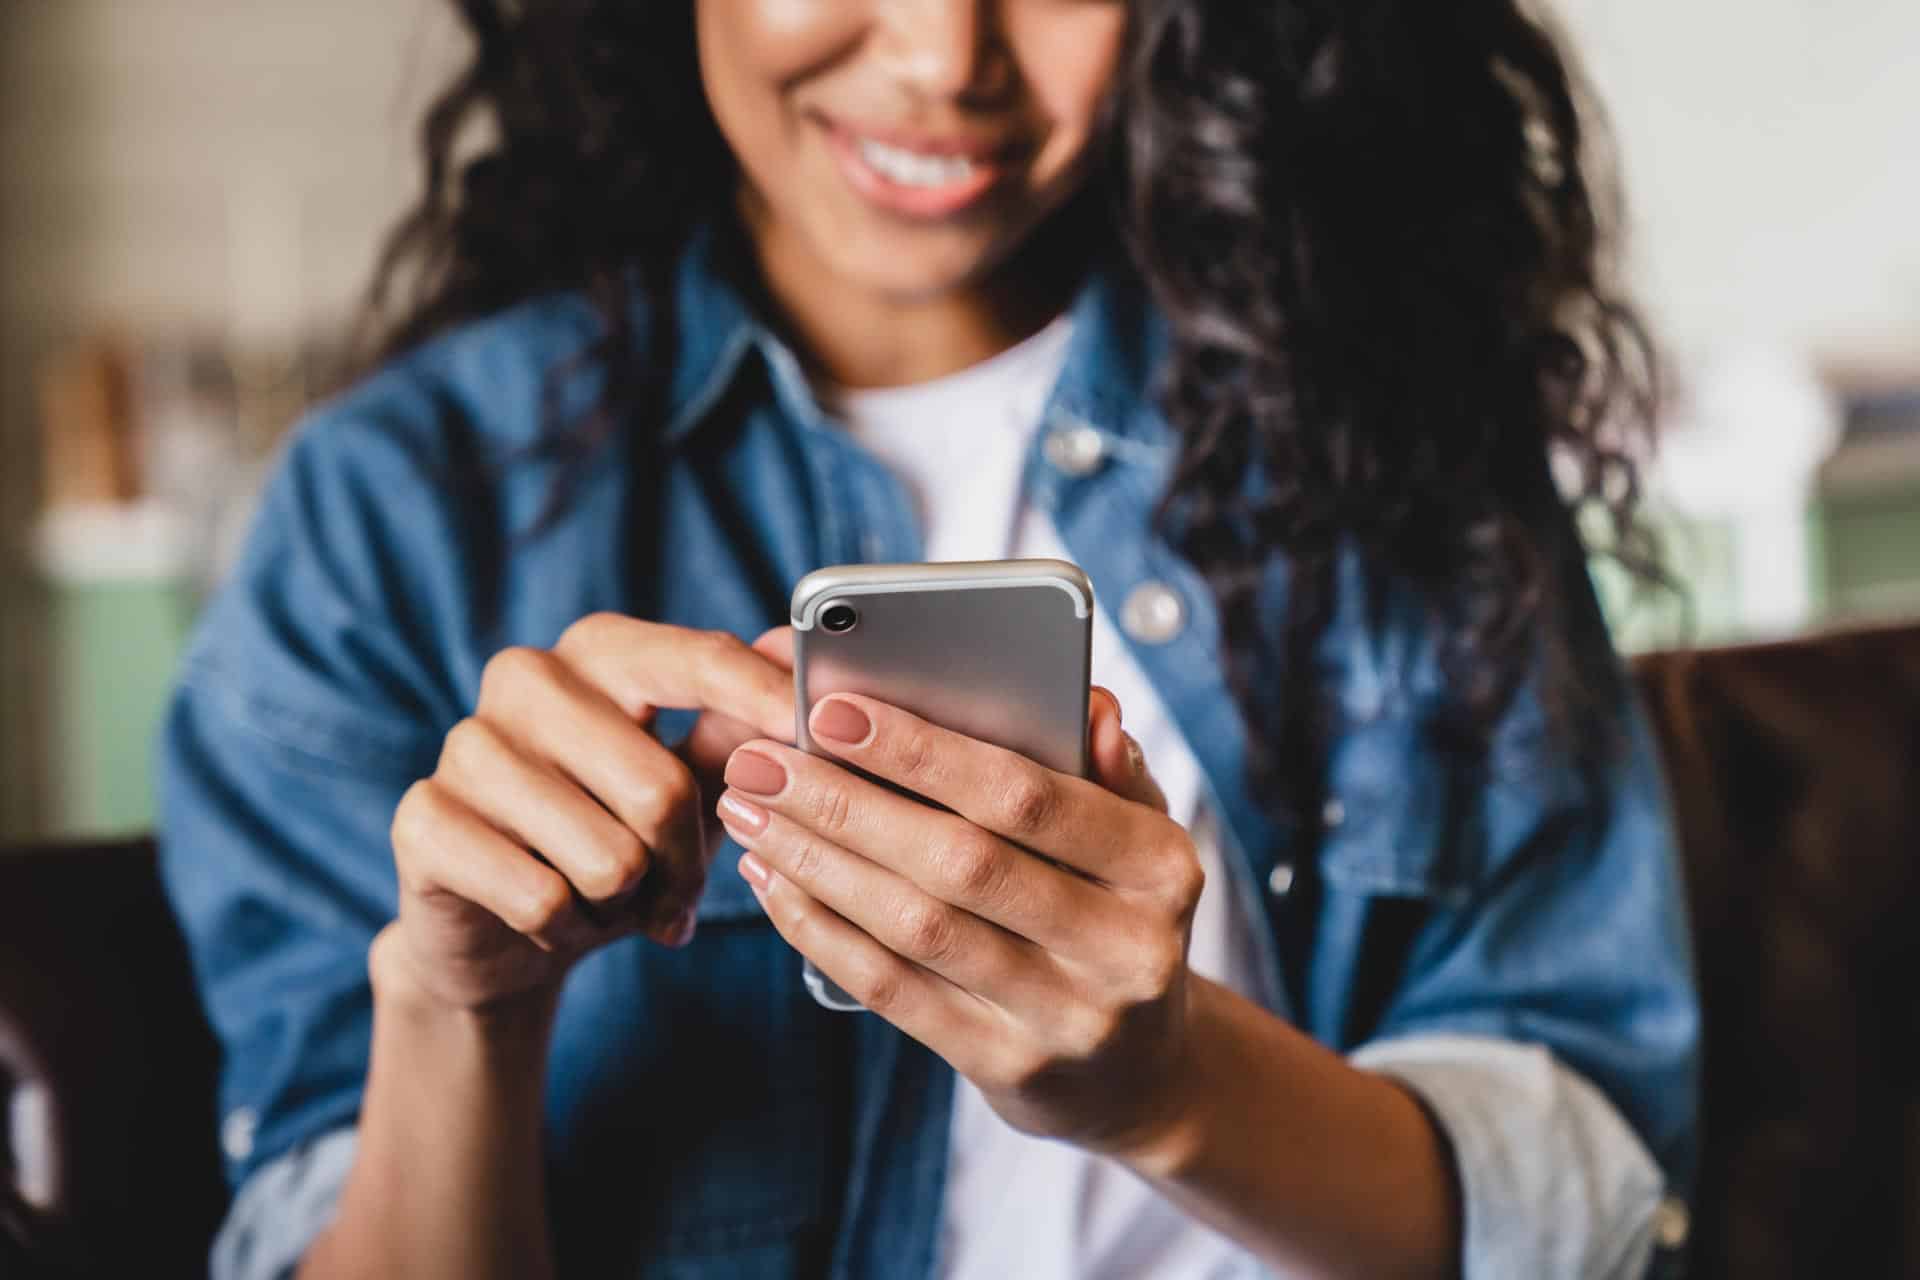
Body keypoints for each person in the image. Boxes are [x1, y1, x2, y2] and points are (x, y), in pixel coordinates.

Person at [159, 3, 1699, 1278]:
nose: (944, 54)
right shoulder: (399, 515)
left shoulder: (1388, 434)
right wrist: (459, 1009)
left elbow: (1591, 1207)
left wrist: (1164, 1088)